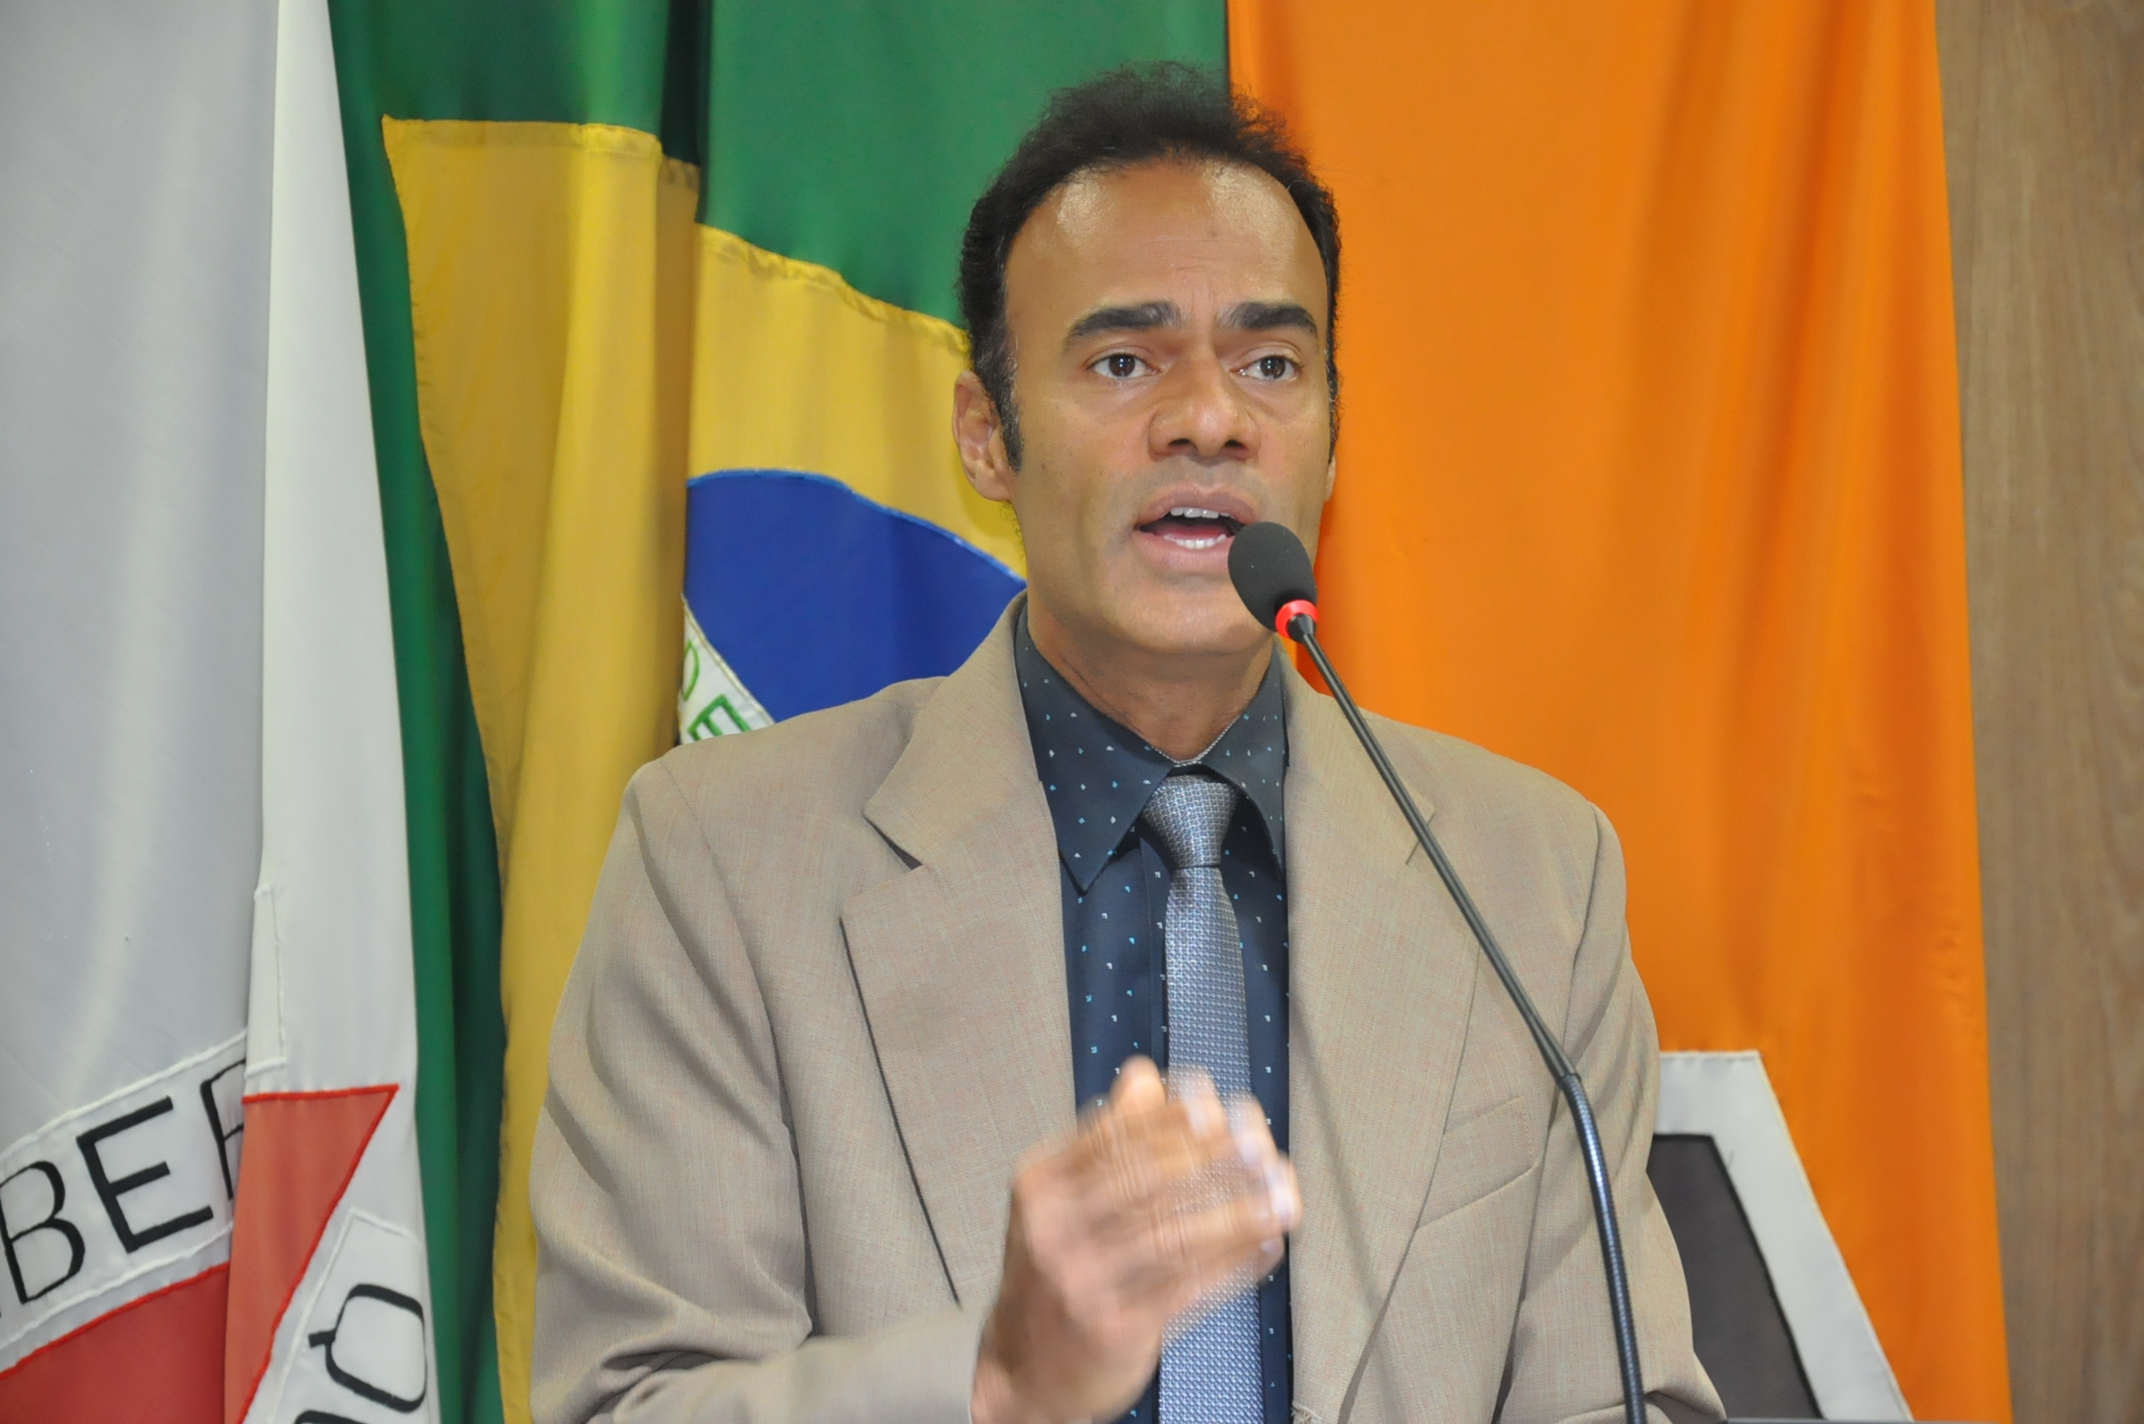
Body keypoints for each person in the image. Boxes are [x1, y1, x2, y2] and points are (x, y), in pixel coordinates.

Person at [532, 64, 1721, 1424]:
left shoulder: (1533, 881)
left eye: (1271, 364)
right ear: (988, 438)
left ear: (1334, 441)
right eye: (1123, 361)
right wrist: (996, 1384)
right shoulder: (724, 865)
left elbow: (1622, 1397)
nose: (1210, 417)